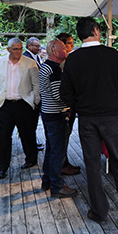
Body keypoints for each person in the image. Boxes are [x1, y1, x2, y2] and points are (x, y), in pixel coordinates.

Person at [60, 17, 118, 223]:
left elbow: (65, 95)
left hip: (87, 119)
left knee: (92, 165)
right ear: (96, 31)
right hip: (111, 117)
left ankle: (99, 211)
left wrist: (78, 107)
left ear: (79, 35)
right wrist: (116, 106)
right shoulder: (112, 55)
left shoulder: (73, 59)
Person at [0, 38, 40, 179]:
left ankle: (31, 159)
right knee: (3, 137)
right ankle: (1, 168)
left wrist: (34, 100)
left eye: (20, 48)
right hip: (5, 105)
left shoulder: (30, 63)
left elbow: (37, 85)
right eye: (15, 49)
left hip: (24, 103)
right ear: (8, 49)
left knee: (27, 134)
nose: (18, 52)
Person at [39, 39, 78, 198]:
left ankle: (47, 181)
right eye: (64, 48)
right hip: (56, 115)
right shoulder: (54, 69)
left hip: (48, 114)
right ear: (54, 51)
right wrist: (73, 103)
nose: (67, 51)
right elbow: (58, 95)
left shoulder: (45, 66)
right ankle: (57, 186)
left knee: (51, 150)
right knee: (58, 152)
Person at [55, 32, 81, 176]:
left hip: (68, 103)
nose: (72, 45)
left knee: (66, 134)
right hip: (65, 105)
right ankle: (62, 165)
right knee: (63, 135)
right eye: (70, 42)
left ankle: (64, 162)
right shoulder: (63, 61)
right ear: (63, 44)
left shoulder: (66, 59)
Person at [23, 36, 44, 151]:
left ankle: (33, 143)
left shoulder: (35, 57)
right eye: (36, 46)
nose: (39, 48)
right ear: (29, 46)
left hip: (36, 94)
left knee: (33, 122)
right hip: (30, 95)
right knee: (30, 122)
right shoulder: (26, 58)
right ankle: (31, 145)